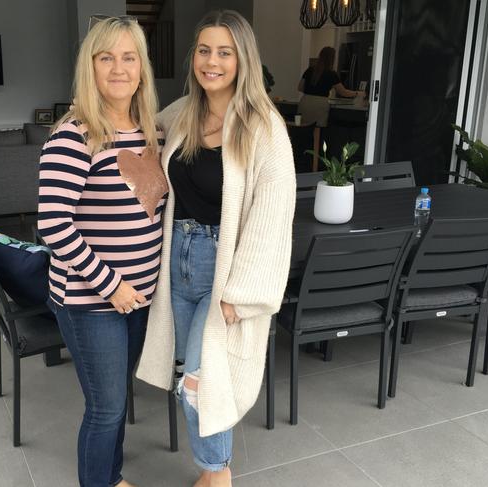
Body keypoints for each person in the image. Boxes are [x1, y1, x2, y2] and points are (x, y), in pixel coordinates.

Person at [136, 10, 296, 487]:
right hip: (176, 263)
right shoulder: (183, 112)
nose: (212, 61)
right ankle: (213, 472)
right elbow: (137, 128)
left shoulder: (263, 127)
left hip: (221, 269)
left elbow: (272, 215)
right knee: (193, 372)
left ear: (242, 59)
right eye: (204, 50)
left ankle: (217, 474)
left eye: (224, 52)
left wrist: (238, 291)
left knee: (200, 383)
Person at [37, 16, 166, 487]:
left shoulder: (151, 131)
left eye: (129, 57)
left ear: (142, 68)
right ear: (89, 67)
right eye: (106, 57)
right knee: (106, 407)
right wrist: (112, 286)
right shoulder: (74, 134)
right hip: (93, 301)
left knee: (114, 401)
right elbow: (54, 226)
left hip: (139, 298)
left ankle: (110, 478)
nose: (118, 68)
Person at [297, 46, 363, 127]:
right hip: (320, 105)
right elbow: (343, 92)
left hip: (305, 102)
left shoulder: (310, 70)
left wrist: (311, 90)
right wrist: (357, 93)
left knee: (303, 129)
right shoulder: (331, 74)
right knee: (317, 129)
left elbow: (300, 87)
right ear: (332, 59)